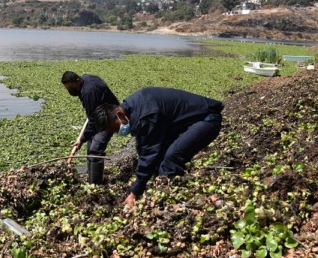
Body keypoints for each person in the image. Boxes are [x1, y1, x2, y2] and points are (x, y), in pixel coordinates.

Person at [93, 87, 223, 211]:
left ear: (119, 114)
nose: (118, 132)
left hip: (207, 120)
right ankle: (167, 189)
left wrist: (135, 191)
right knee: (160, 160)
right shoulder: (132, 107)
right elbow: (144, 147)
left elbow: (149, 153)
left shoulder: (146, 116)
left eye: (116, 128)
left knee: (171, 159)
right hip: (183, 124)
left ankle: (170, 202)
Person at [61, 71, 120, 183]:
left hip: (109, 119)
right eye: (68, 89)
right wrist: (85, 138)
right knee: (90, 149)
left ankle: (96, 183)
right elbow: (92, 115)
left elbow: (92, 120)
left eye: (71, 88)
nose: (70, 91)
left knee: (95, 150)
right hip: (98, 115)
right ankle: (91, 177)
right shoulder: (85, 79)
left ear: (77, 81)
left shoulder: (89, 92)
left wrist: (81, 139)